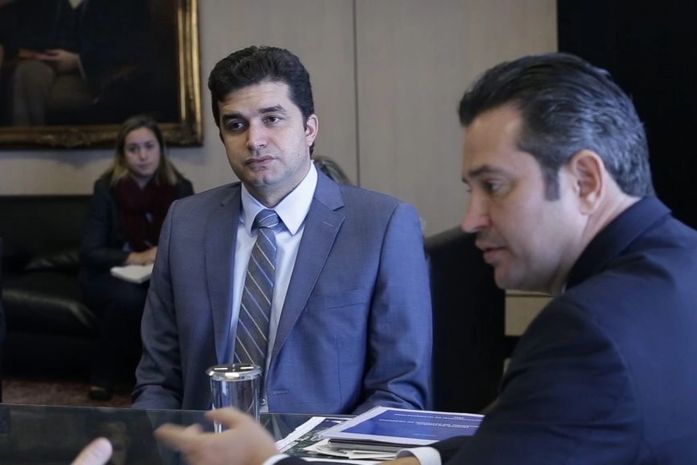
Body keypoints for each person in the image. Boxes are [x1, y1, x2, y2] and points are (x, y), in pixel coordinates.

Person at [135, 52, 697, 465]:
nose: (471, 219)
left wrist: (270, 461)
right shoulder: (678, 264)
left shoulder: (582, 332)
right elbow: (516, 436)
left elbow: (413, 396)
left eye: (494, 186)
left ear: (585, 180)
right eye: (236, 124)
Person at [131, 45, 432, 414]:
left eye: (272, 119)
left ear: (309, 129)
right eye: (236, 125)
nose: (254, 140)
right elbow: (158, 380)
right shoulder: (185, 223)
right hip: (203, 442)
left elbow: (399, 394)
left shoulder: (384, 226)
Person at [80, 114, 193, 401]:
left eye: (149, 146)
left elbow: (189, 244)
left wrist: (160, 258)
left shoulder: (180, 188)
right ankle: (104, 377)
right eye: (133, 149)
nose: (142, 156)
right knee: (129, 299)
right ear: (122, 154)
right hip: (109, 274)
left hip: (160, 274)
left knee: (167, 297)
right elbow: (91, 251)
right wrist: (138, 257)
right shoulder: (106, 188)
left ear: (161, 149)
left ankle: (171, 381)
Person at [2, 0, 160, 125]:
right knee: (28, 74)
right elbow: (21, 37)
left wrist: (78, 61)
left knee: (58, 97)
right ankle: (28, 147)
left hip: (97, 74)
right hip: (50, 65)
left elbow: (132, 49)